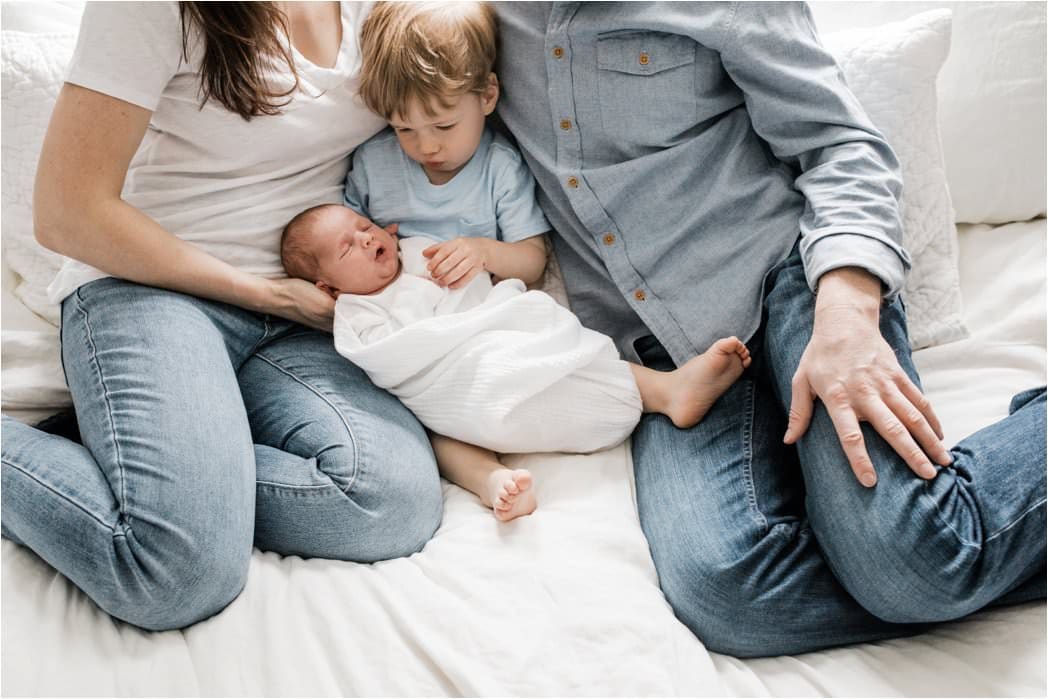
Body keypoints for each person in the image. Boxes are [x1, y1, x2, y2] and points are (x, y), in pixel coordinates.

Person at [491, 2, 1047, 657]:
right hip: (674, 364)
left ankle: (921, 558)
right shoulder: (474, 17)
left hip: (794, 289)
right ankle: (935, 557)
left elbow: (843, 146)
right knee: (726, 595)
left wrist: (847, 316)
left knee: (911, 560)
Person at [0, 2, 445, 632]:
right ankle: (157, 467)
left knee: (390, 503)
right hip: (151, 292)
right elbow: (66, 211)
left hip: (304, 309)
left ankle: (142, 454)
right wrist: (263, 294)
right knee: (177, 574)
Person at [280, 202, 751, 520]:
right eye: (346, 248)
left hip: (499, 330)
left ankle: (666, 391)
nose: (364, 240)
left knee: (557, 336)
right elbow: (387, 361)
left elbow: (486, 287)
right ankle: (492, 481)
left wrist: (466, 263)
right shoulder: (356, 313)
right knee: (437, 438)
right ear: (328, 287)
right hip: (449, 386)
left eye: (364, 227)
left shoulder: (420, 252)